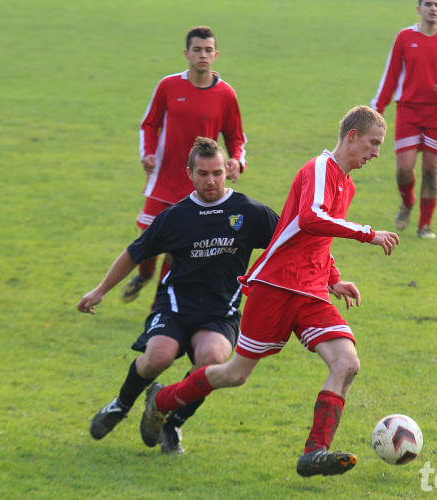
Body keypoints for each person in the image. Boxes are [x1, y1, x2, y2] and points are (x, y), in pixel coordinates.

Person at [139, 106, 400, 477]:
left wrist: (333, 278)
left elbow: (316, 238)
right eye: (373, 144)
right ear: (352, 136)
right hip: (275, 287)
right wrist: (367, 233)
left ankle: (314, 452)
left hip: (310, 291)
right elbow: (310, 218)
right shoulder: (320, 168)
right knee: (235, 374)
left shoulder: (347, 182)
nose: (376, 153)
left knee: (347, 363)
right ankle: (162, 398)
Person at [77, 137, 278, 454]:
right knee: (158, 357)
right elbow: (134, 253)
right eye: (202, 174)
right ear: (190, 174)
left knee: (211, 362)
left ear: (227, 170)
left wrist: (329, 279)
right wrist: (100, 290)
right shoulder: (176, 217)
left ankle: (172, 422)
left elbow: (289, 244)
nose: (210, 181)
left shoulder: (249, 211)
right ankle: (121, 404)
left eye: (216, 173)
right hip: (174, 308)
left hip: (219, 313)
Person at [122, 26, 249, 303]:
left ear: (215, 55)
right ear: (186, 53)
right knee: (148, 239)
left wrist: (237, 159)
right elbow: (149, 124)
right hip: (164, 179)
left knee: (177, 247)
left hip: (198, 185)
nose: (202, 55)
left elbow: (235, 135)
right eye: (197, 50)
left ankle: (161, 301)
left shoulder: (226, 94)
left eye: (207, 50)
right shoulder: (168, 86)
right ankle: (144, 274)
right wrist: (148, 154)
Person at [371, 0, 437, 239]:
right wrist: (376, 110)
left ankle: (425, 225)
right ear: (419, 9)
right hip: (409, 110)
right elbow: (391, 75)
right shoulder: (405, 37)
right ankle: (407, 202)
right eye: (428, 4)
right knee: (404, 168)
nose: (433, 8)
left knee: (430, 170)